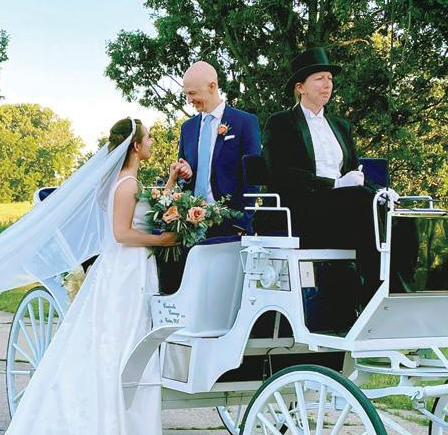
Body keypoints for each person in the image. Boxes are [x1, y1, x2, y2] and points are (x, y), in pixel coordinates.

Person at [0, 119, 177, 435]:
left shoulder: (129, 181)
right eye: (147, 138)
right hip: (124, 274)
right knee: (109, 358)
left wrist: (172, 182)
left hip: (132, 273)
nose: (151, 143)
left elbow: (142, 214)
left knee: (114, 356)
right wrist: (161, 240)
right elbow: (122, 234)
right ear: (134, 145)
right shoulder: (126, 184)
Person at [262, 47, 381, 310]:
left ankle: (397, 289)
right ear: (300, 87)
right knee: (363, 203)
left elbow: (354, 171)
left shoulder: (341, 126)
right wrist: (335, 184)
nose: (327, 84)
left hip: (345, 206)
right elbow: (283, 174)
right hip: (304, 208)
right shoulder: (281, 123)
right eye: (319, 79)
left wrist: (380, 192)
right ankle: (373, 294)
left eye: (330, 78)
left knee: (390, 211)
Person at [158, 62, 261, 293]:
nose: (189, 100)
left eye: (193, 93)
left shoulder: (245, 122)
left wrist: (241, 222)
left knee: (224, 292)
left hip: (229, 225)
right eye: (186, 94)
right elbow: (185, 179)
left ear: (212, 86)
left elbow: (252, 178)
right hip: (191, 225)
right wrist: (185, 174)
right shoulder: (187, 128)